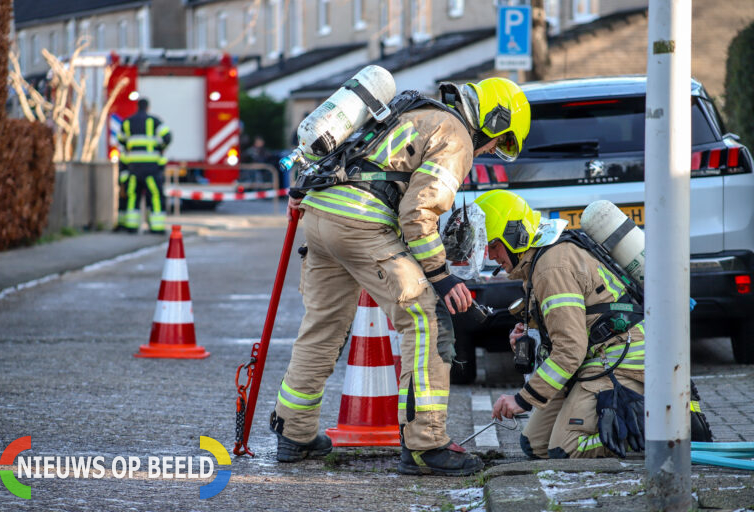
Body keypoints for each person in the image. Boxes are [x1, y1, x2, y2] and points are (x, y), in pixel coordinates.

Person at [270, 77, 531, 476]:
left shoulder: (412, 110)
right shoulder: (456, 134)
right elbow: (418, 212)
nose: (493, 150)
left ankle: (294, 432)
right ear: (494, 119)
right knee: (427, 319)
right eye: (501, 140)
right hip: (361, 223)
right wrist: (441, 276)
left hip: (319, 214)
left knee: (321, 325)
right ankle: (426, 445)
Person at [476, 189, 647, 459]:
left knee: (566, 449)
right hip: (593, 359)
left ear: (514, 235)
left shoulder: (551, 267)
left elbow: (570, 349)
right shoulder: (537, 261)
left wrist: (522, 399)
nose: (491, 255)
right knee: (535, 446)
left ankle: (646, 432)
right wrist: (530, 339)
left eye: (493, 245)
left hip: (621, 360)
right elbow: (564, 335)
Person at [116, 98, 171, 234]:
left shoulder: (127, 122)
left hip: (133, 167)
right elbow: (168, 137)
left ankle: (131, 226)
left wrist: (130, 149)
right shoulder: (155, 121)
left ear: (137, 106)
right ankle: (157, 227)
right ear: (148, 107)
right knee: (155, 196)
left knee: (132, 196)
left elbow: (120, 140)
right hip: (151, 167)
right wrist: (160, 148)